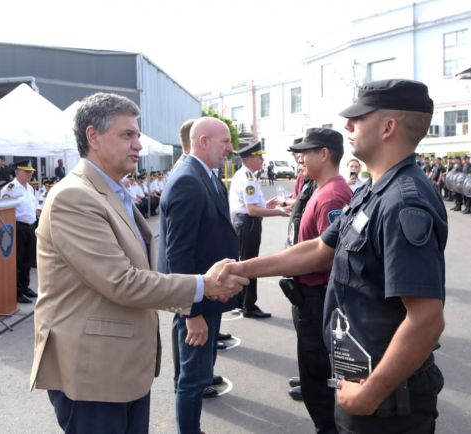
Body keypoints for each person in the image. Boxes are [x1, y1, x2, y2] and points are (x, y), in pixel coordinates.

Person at [220, 79, 447, 433]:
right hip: (358, 378)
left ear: (388, 127)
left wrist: (370, 393)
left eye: (358, 118)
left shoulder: (404, 201)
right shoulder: (372, 190)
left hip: (386, 402)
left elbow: (427, 319)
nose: (347, 126)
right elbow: (318, 249)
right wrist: (242, 268)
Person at [30, 92, 246, 433]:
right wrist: (204, 285)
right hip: (93, 376)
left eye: (137, 135)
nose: (138, 146)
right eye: (127, 135)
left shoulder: (111, 190)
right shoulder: (74, 197)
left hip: (120, 368)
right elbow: (122, 281)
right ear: (93, 136)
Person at [159, 117, 239, 434]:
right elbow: (178, 255)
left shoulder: (204, 175)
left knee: (197, 374)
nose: (231, 149)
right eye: (225, 142)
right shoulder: (187, 180)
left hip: (206, 295)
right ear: (203, 142)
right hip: (197, 300)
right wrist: (192, 313)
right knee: (193, 379)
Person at [285, 127, 352, 434]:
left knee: (320, 382)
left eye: (306, 152)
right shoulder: (321, 189)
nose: (300, 158)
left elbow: (327, 256)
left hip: (318, 299)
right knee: (314, 379)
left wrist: (252, 268)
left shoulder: (333, 194)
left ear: (324, 154)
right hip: (310, 298)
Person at [229, 140, 289, 319]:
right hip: (249, 222)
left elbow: (254, 205)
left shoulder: (245, 174)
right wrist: (279, 212)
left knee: (243, 261)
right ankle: (249, 305)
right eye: (259, 157)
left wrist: (267, 205)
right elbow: (252, 210)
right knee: (250, 263)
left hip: (244, 221)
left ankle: (240, 300)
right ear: (251, 159)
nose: (263, 160)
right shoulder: (247, 177)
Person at [0, 160, 39, 304]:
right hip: (17, 226)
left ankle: (25, 286)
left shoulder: (29, 188)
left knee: (28, 259)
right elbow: (4, 209)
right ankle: (17, 291)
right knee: (18, 260)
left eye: (31, 172)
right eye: (27, 172)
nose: (30, 174)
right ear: (17, 173)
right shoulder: (10, 189)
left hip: (30, 226)